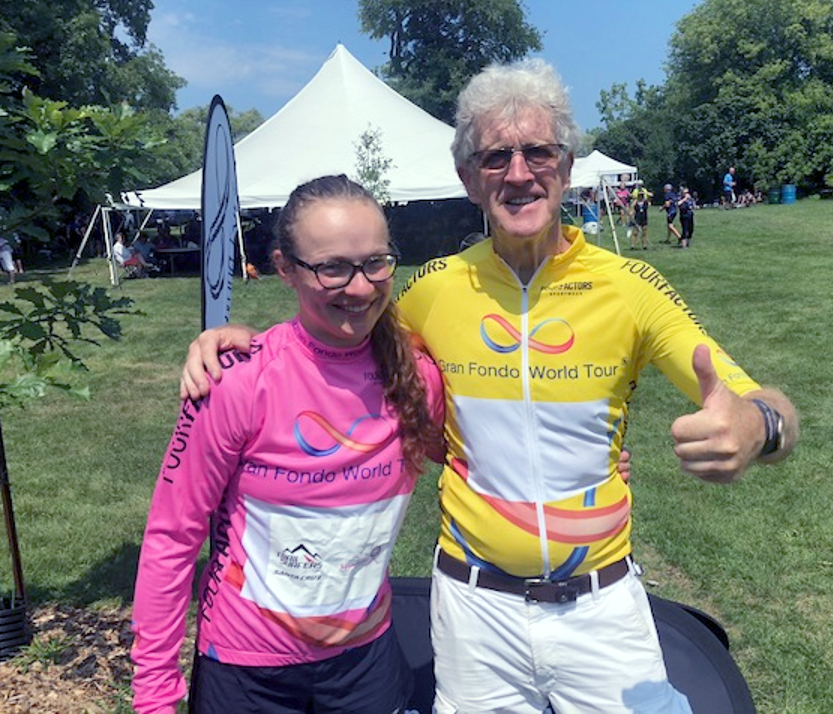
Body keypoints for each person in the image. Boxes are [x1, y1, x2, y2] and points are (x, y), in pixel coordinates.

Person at [181, 59, 799, 714]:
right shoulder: (437, 287)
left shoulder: (631, 288)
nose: (519, 173)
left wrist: (761, 428)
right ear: (468, 178)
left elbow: (763, 401)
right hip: (475, 613)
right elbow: (337, 337)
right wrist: (245, 342)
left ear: (564, 164)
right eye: (495, 156)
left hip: (602, 607)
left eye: (537, 152)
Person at [131, 175, 447, 714]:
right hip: (246, 669)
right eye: (332, 268)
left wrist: (595, 468)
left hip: (365, 662)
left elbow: (476, 463)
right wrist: (155, 695)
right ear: (284, 268)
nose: (361, 286)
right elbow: (171, 538)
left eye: (376, 262)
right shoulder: (236, 381)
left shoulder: (417, 378)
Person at [630, 185, 652, 250]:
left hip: (644, 218)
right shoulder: (635, 202)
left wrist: (646, 193)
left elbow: (651, 196)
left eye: (642, 195)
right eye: (639, 195)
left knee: (644, 232)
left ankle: (644, 245)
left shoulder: (646, 202)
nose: (640, 196)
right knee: (635, 232)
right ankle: (633, 245)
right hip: (637, 218)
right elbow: (632, 209)